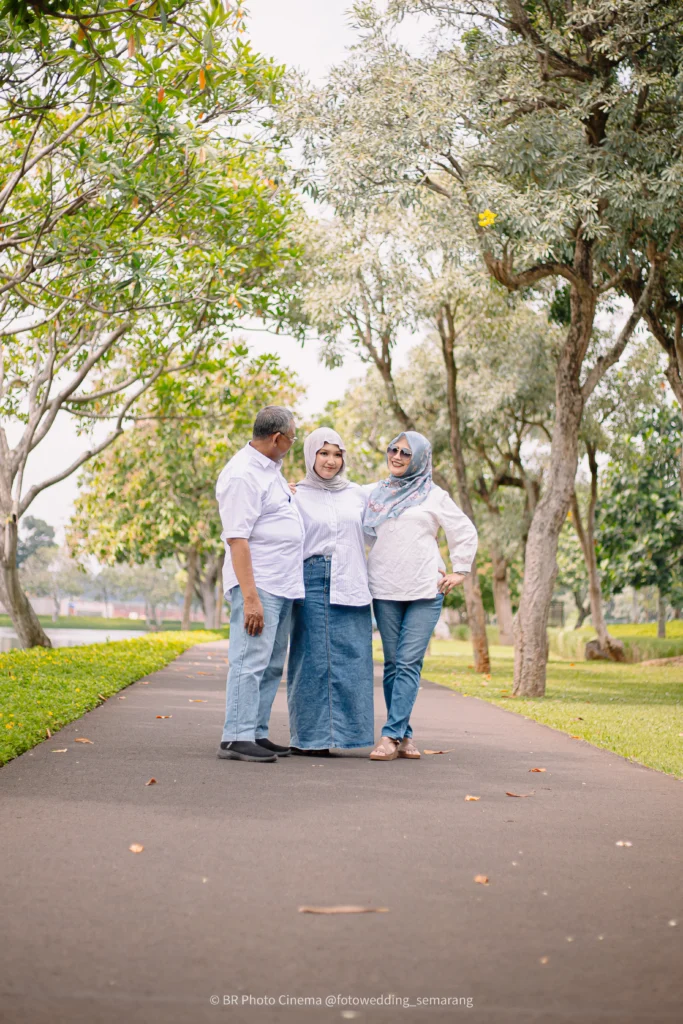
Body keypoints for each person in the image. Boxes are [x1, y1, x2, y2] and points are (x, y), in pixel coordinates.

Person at [364, 431, 478, 762]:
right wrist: (296, 490)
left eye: (406, 453)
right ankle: (405, 734)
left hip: (425, 589)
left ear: (420, 459)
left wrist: (460, 570)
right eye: (393, 449)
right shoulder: (374, 493)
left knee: (408, 662)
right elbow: (337, 496)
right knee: (392, 664)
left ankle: (390, 736)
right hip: (385, 588)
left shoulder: (434, 496)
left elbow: (464, 531)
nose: (397, 456)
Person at [215, 406, 303, 763]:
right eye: (292, 438)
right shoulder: (242, 474)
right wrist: (250, 598)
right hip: (259, 583)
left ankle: (256, 731)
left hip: (282, 583)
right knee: (249, 660)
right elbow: (237, 538)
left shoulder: (270, 470)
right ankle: (236, 736)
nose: (293, 444)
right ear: (277, 438)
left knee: (270, 664)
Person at [287, 428, 374, 756]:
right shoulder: (295, 494)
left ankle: (348, 736)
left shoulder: (357, 494)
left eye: (337, 454)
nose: (331, 461)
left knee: (353, 659)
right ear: (311, 455)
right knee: (311, 660)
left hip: (351, 578)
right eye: (323, 453)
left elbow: (380, 534)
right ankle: (310, 739)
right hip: (311, 577)